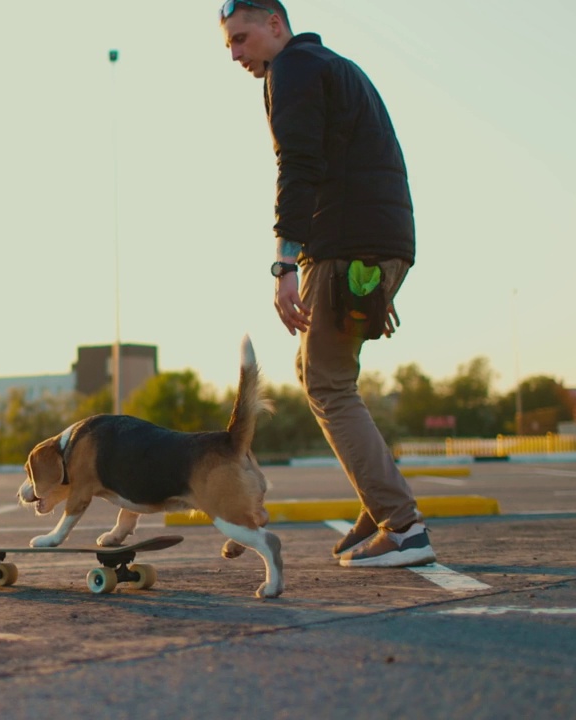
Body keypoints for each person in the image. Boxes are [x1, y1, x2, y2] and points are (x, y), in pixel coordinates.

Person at [218, 0, 437, 568]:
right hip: (377, 244)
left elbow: (298, 165)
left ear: (274, 24)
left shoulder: (293, 68)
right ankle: (379, 497)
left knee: (327, 384)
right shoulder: (335, 65)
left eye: (242, 39)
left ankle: (402, 523)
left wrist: (284, 263)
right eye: (229, 46)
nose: (237, 55)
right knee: (317, 373)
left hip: (346, 250)